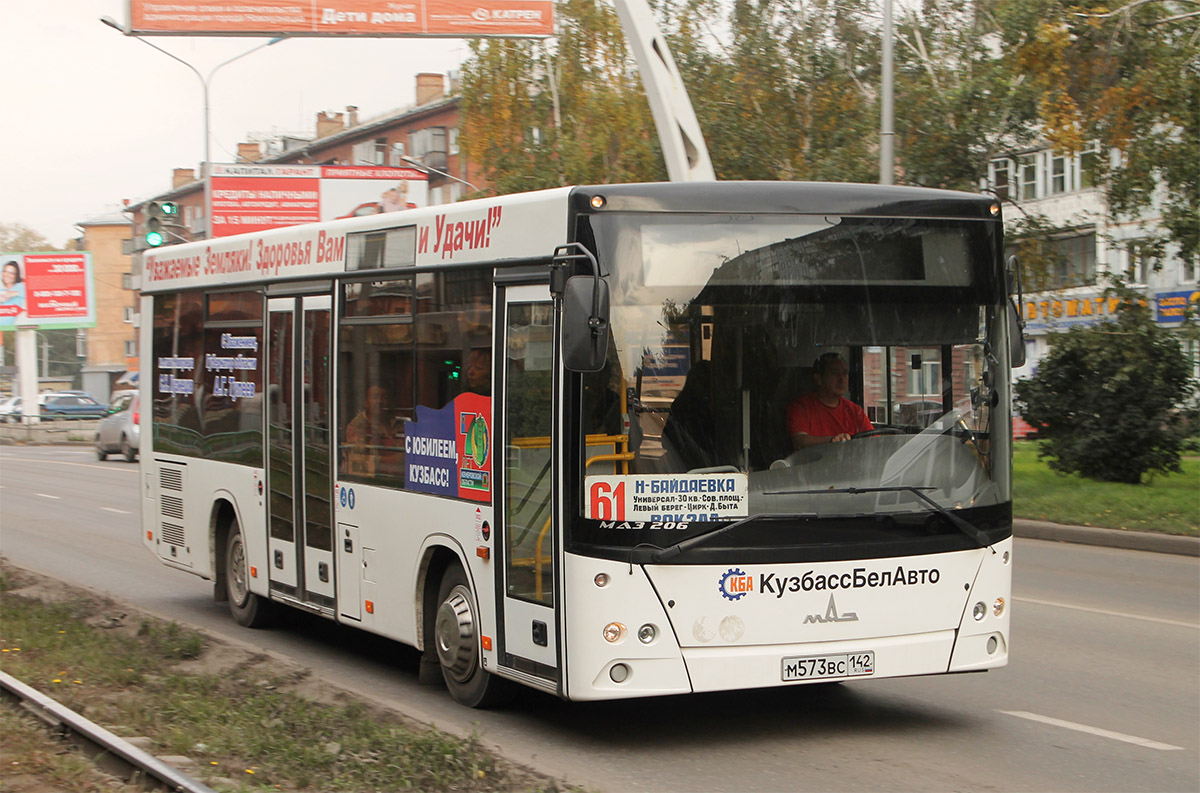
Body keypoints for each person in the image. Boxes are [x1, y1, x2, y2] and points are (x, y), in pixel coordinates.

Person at [786, 353, 873, 450]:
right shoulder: (800, 407)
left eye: (845, 373)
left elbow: (873, 441)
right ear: (819, 379)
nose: (842, 379)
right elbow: (800, 442)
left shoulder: (855, 411)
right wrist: (833, 441)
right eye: (835, 374)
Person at [345, 384, 401, 476]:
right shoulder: (357, 427)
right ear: (365, 402)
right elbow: (361, 462)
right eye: (375, 397)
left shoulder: (398, 422)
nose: (379, 401)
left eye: (384, 397)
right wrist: (396, 459)